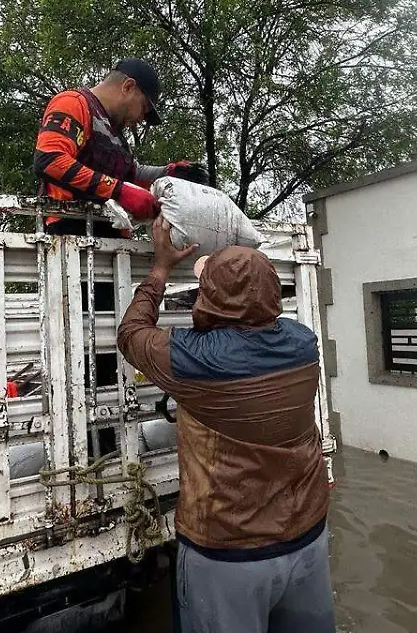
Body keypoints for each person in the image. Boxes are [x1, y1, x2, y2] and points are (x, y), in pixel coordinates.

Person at [117, 218, 334, 633]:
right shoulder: (304, 343)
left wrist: (161, 268)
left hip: (229, 555)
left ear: (209, 298)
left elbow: (132, 333)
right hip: (308, 536)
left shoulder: (195, 360)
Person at [33, 57, 209, 238]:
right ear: (128, 87)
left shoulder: (115, 132)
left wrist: (167, 172)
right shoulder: (74, 103)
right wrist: (118, 190)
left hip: (111, 238)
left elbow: (131, 174)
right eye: (143, 108)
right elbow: (49, 159)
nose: (141, 118)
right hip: (70, 233)